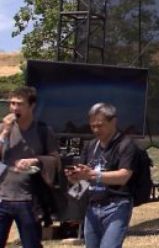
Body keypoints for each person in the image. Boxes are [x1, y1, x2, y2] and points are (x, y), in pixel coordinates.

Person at [65, 103, 137, 248]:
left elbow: (124, 176)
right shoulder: (90, 146)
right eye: (92, 126)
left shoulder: (125, 144)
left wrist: (93, 175)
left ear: (113, 121)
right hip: (92, 206)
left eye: (100, 125)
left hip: (117, 205)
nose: (96, 130)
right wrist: (74, 178)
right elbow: (83, 180)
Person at [0, 86, 58, 248]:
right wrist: (4, 133)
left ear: (32, 106)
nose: (14, 108)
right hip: (2, 197)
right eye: (12, 103)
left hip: (29, 199)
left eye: (19, 104)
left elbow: (55, 160)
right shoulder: (3, 129)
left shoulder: (43, 131)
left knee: (31, 244)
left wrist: (35, 160)